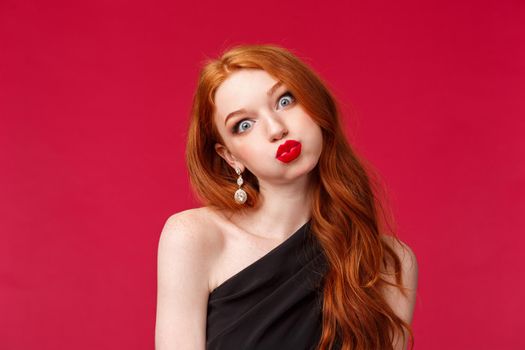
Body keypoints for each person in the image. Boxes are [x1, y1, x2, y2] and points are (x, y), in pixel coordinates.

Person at [155, 44, 418, 350]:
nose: (276, 129)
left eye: (285, 100)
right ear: (230, 157)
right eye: (244, 124)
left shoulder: (391, 262)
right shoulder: (195, 237)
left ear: (315, 105)